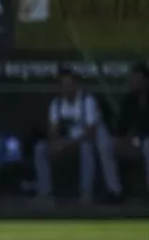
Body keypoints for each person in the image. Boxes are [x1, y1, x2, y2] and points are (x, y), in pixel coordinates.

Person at [34, 68, 122, 203]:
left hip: (86, 139)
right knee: (40, 148)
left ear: (76, 85)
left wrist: (67, 144)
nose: (67, 88)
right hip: (67, 141)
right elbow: (53, 129)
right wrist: (55, 142)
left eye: (69, 84)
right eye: (63, 85)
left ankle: (86, 194)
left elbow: (91, 132)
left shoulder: (87, 100)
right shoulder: (56, 104)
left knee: (87, 149)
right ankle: (45, 193)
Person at [115, 62, 149, 196]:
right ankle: (114, 191)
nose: (134, 83)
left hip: (145, 140)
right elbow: (121, 126)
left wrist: (136, 136)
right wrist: (122, 138)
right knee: (106, 145)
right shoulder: (128, 100)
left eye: (138, 80)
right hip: (130, 142)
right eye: (133, 79)